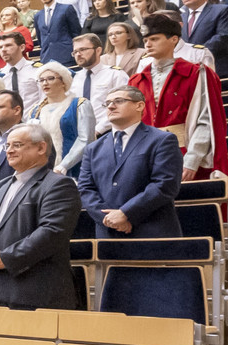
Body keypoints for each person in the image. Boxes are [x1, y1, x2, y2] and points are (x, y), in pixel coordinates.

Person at [0, 124, 82, 310]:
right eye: (7, 145)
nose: (9, 150)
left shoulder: (59, 185)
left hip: (34, 293)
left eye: (17, 145)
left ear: (41, 148)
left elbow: (52, 233)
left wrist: (5, 258)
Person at [76, 85, 184, 238]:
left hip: (152, 232)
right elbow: (85, 189)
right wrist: (109, 219)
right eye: (107, 103)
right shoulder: (93, 148)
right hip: (108, 234)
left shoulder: (162, 140)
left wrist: (126, 213)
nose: (111, 106)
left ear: (139, 105)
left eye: (119, 101)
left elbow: (165, 184)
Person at [132, 12, 228, 180]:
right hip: (146, 158)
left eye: (154, 39)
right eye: (145, 40)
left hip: (185, 152)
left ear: (174, 39)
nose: (148, 44)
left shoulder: (196, 73)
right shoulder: (136, 80)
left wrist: (192, 160)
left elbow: (206, 119)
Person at [30, 63, 94, 177]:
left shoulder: (79, 105)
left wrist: (64, 165)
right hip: (43, 171)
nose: (45, 83)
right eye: (41, 80)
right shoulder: (36, 110)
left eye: (50, 78)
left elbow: (85, 139)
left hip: (75, 168)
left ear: (63, 82)